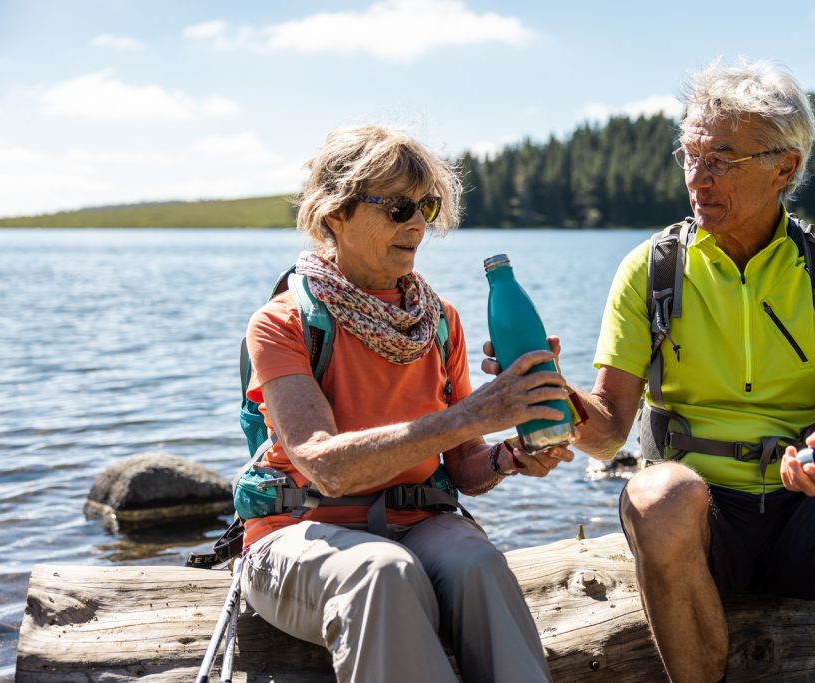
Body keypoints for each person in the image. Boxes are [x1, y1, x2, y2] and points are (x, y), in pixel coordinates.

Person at [534, 60, 815, 682]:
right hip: (703, 526)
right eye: (689, 156)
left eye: (722, 159)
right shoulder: (651, 269)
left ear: (784, 169)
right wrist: (551, 394)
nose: (697, 178)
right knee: (658, 492)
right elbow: (605, 434)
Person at [240, 124, 571, 682]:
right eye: (396, 207)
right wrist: (474, 413)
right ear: (334, 214)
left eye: (427, 205)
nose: (417, 223)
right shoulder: (284, 322)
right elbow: (325, 466)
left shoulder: (438, 321)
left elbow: (463, 466)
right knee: (381, 570)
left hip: (418, 522)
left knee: (479, 565)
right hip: (297, 532)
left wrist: (509, 455)